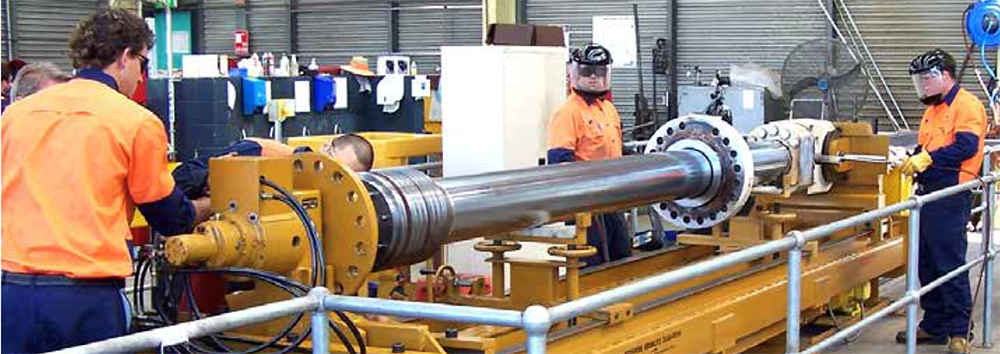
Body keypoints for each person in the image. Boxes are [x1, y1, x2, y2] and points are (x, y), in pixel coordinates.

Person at [1, 9, 212, 353]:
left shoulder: (15, 115)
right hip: (85, 300)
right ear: (126, 56)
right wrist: (212, 204)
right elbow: (172, 218)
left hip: (10, 294)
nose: (142, 78)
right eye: (143, 63)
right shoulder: (134, 122)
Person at [895, 49, 987, 354]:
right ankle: (934, 323)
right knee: (927, 262)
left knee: (949, 263)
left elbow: (966, 146)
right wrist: (911, 158)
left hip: (951, 193)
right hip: (928, 193)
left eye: (925, 79)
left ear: (943, 76)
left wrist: (927, 158)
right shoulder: (932, 110)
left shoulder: (967, 105)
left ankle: (960, 331)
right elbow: (927, 145)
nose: (921, 85)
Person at [547, 43, 630, 267]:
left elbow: (617, 150)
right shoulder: (568, 113)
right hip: (586, 203)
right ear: (575, 74)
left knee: (621, 250)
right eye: (587, 72)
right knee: (593, 258)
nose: (593, 78)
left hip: (612, 198)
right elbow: (559, 161)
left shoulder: (608, 109)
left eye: (599, 72)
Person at [173, 134, 375, 199]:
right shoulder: (261, 152)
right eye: (334, 165)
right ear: (324, 147)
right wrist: (212, 179)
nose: (332, 177)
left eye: (343, 177)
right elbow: (180, 178)